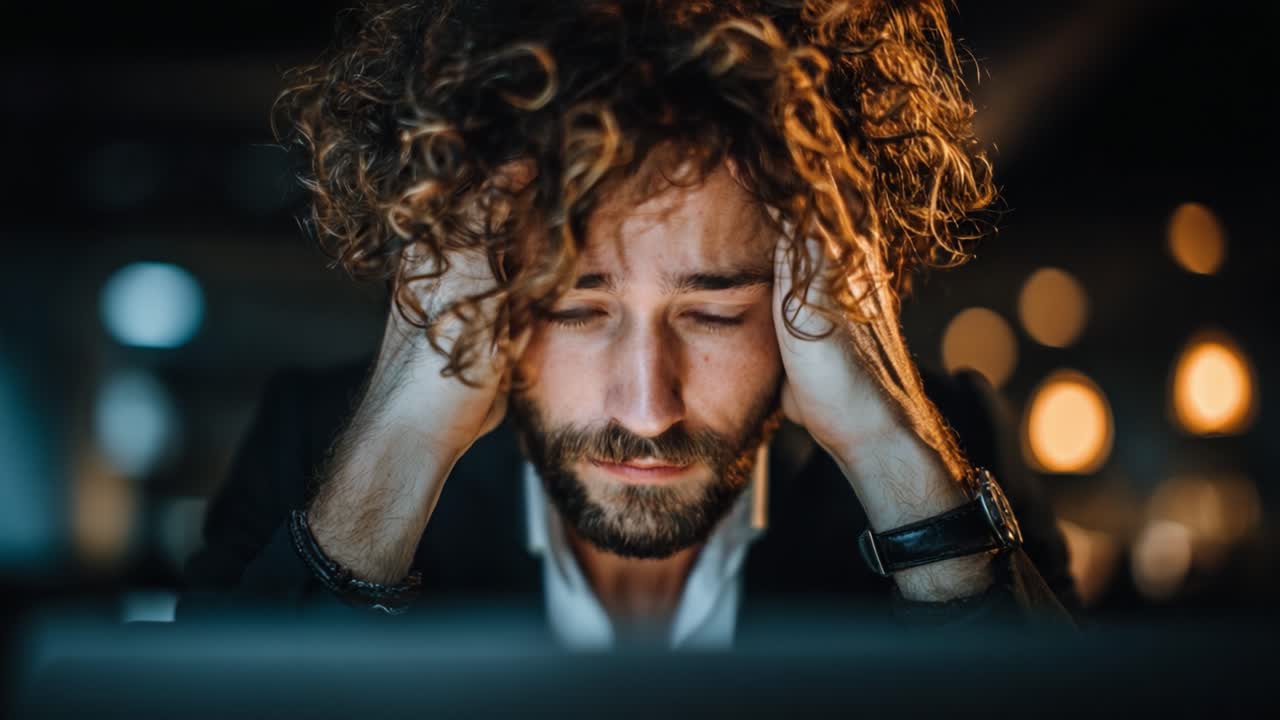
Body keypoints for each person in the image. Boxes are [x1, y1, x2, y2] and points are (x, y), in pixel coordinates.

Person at [181, 0, 1079, 648]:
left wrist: (891, 452)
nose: (649, 408)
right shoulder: (317, 443)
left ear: (827, 287)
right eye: (577, 306)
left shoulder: (952, 458)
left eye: (715, 310)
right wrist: (407, 436)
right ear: (476, 278)